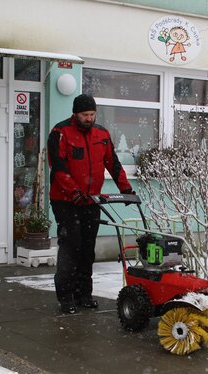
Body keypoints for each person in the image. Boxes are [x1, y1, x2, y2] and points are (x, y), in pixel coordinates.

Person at [47, 94, 134, 314]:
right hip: (65, 201)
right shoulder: (60, 133)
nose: (90, 118)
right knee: (71, 246)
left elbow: (112, 164)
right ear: (75, 114)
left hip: (92, 200)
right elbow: (58, 168)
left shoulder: (101, 134)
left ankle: (84, 294)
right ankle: (66, 297)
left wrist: (126, 189)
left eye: (93, 114)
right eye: (85, 115)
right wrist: (74, 192)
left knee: (87, 249)